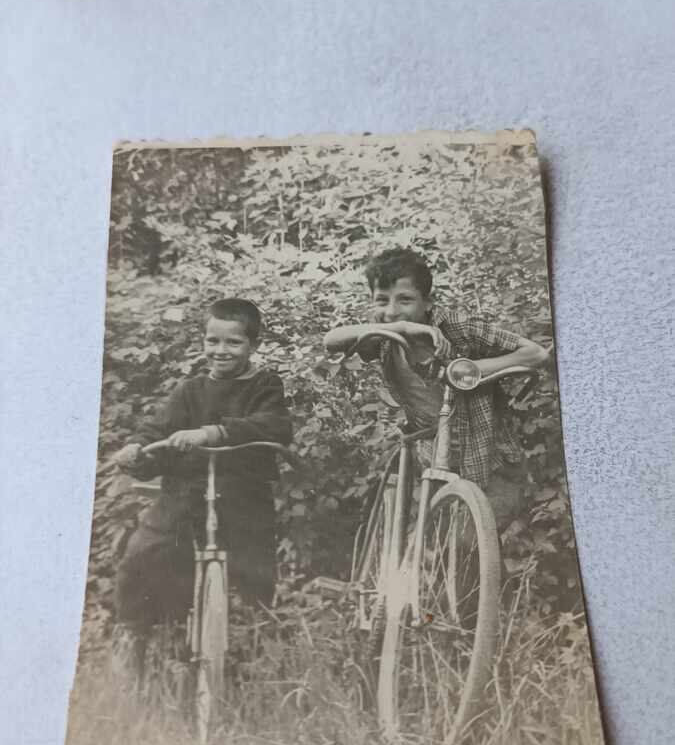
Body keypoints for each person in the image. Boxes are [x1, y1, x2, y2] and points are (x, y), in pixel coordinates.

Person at [113, 297, 292, 655]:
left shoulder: (265, 386)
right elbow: (156, 433)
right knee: (144, 552)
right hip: (186, 495)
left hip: (242, 497)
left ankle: (253, 646)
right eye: (213, 341)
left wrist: (212, 433)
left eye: (233, 342)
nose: (221, 350)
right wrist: (136, 451)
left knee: (254, 570)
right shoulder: (189, 391)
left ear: (253, 345)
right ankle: (134, 637)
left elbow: (274, 426)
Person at [323, 247, 548, 528]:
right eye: (381, 300)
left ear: (428, 302)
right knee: (433, 543)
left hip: (489, 462)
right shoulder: (381, 336)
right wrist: (405, 328)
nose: (391, 311)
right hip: (434, 459)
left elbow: (536, 354)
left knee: (471, 545)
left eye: (405, 300)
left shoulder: (458, 328)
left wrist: (472, 370)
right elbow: (331, 340)